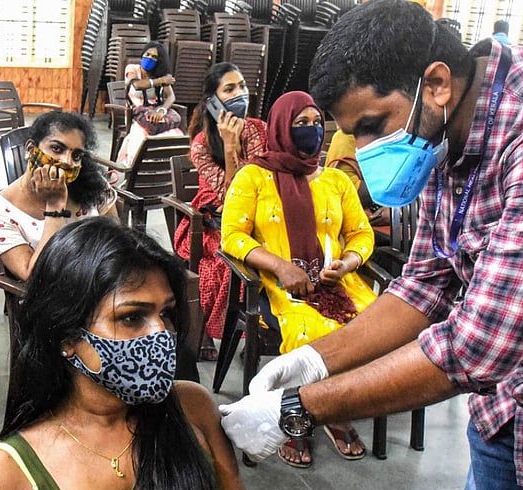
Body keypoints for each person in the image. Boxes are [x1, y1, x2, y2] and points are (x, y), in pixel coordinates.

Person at [218, 1, 523, 490]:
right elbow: (426, 283)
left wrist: (298, 407)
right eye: (353, 134)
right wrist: (315, 360)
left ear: (437, 83)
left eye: (373, 126)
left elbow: (479, 346)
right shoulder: (444, 123)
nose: (363, 149)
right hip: (508, 405)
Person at [0, 217, 249, 490]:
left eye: (165, 314)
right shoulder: (3, 475)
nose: (161, 334)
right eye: (131, 317)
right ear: (67, 337)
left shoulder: (193, 408)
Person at [220, 91, 376, 467]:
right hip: (280, 286)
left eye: (317, 123)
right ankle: (302, 416)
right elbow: (232, 236)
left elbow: (361, 234)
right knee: (312, 330)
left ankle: (332, 408)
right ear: (280, 128)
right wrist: (280, 266)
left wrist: (348, 262)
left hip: (337, 281)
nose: (312, 132)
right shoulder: (253, 177)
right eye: (300, 124)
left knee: (374, 326)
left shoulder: (336, 180)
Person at [172, 62, 268, 361]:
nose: (240, 93)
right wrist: (229, 147)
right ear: (212, 101)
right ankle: (215, 333)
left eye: (241, 86)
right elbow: (232, 195)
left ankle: (258, 329)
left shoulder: (257, 129)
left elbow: (260, 185)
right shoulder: (201, 144)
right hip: (213, 220)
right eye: (230, 89)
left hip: (259, 215)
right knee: (220, 265)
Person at [0, 111, 117, 281]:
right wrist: (55, 207)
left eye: (76, 156)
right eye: (57, 149)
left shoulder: (92, 186)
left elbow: (116, 238)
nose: (67, 161)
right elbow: (34, 275)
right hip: (58, 298)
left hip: (105, 282)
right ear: (31, 149)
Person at [115, 41, 184, 166]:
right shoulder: (132, 69)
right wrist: (161, 81)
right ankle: (139, 170)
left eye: (154, 57)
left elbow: (171, 96)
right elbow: (136, 85)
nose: (149, 58)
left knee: (172, 135)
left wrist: (162, 110)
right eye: (147, 54)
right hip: (136, 114)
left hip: (156, 112)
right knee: (142, 137)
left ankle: (164, 172)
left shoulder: (160, 73)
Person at [323, 129, 392, 242]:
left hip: (398, 221)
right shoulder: (346, 137)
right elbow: (349, 189)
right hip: (356, 227)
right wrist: (393, 196)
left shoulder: (393, 134)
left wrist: (397, 209)